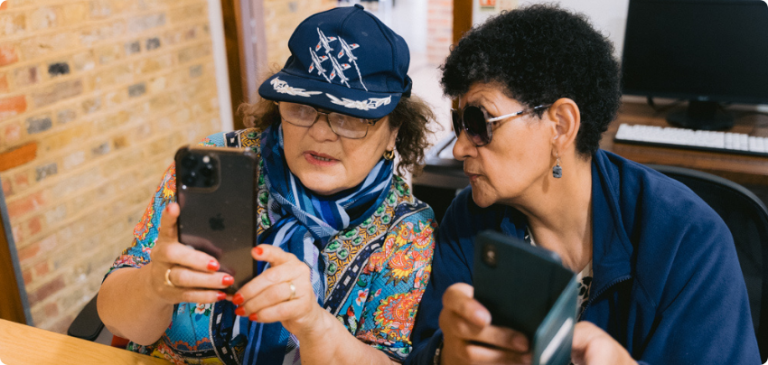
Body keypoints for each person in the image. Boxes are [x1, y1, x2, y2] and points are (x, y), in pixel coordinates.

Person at [405, 5, 760, 365]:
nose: (460, 148)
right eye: (459, 123)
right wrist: (444, 354)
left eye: (478, 122)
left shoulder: (688, 239)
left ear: (560, 126)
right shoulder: (469, 220)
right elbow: (424, 349)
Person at [98, 5, 437, 365]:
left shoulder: (406, 231)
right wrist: (153, 286)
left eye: (350, 117)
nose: (321, 133)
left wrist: (314, 324)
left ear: (394, 132)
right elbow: (117, 318)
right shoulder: (219, 164)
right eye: (302, 107)